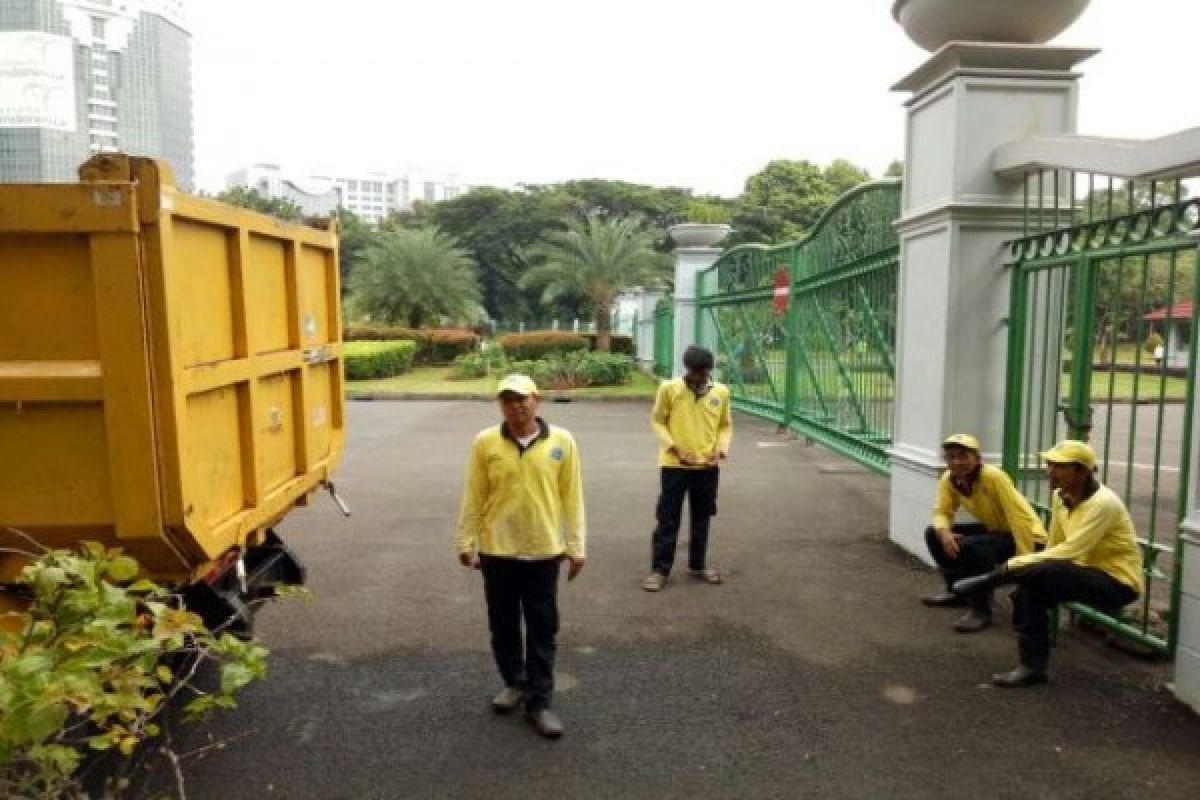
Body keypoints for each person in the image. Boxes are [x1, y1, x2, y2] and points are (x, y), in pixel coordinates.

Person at [457, 374, 586, 738]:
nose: (517, 406)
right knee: (503, 624)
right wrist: (465, 542)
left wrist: (576, 548)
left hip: (544, 551)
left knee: (543, 628)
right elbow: (474, 495)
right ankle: (515, 680)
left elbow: (572, 498)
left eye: (522, 399)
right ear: (501, 405)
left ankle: (540, 703)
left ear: (537, 400)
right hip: (497, 550)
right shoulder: (486, 443)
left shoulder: (562, 442)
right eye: (508, 400)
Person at [953, 440, 1143, 687]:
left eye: (1059, 467)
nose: (1049, 472)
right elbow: (1055, 544)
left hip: (1116, 583)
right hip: (1076, 571)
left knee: (1048, 568)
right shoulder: (1059, 495)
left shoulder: (1103, 504)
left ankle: (989, 581)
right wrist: (1025, 568)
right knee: (1028, 593)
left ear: (1082, 472)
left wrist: (1012, 566)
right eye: (1049, 464)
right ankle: (1031, 667)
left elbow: (1071, 550)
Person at [921, 434, 1047, 633]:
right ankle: (958, 591)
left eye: (963, 456)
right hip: (997, 530)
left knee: (972, 547)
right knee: (933, 533)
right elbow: (942, 511)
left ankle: (981, 609)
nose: (957, 462)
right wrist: (944, 533)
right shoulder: (950, 478)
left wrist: (1025, 559)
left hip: (1027, 536)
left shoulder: (993, 477)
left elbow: (1018, 518)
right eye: (951, 457)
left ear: (977, 458)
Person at [642, 345, 733, 592]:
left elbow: (725, 426)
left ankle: (698, 564)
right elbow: (658, 421)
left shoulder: (721, 392)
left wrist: (721, 451)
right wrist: (674, 448)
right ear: (687, 370)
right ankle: (660, 570)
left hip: (707, 466)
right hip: (674, 465)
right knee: (668, 517)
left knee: (702, 516)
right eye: (696, 373)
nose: (700, 378)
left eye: (704, 373)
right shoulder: (670, 389)